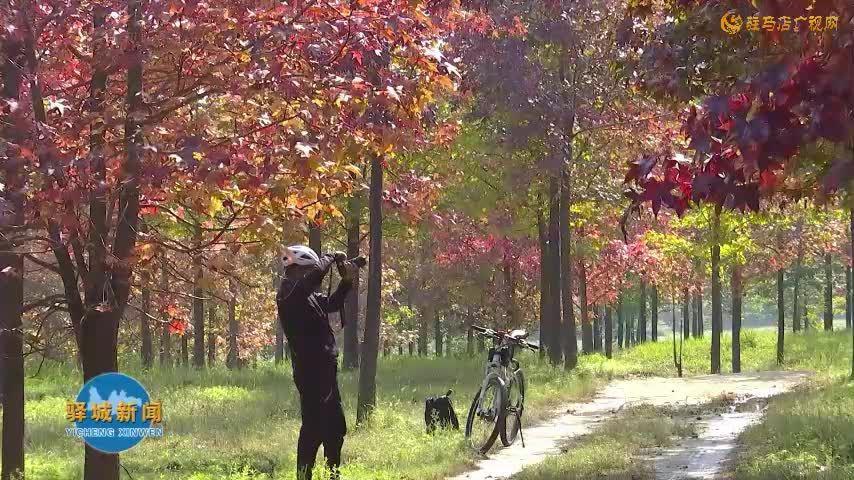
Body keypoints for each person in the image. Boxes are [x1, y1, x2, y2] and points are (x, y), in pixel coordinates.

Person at [277, 245, 353, 480]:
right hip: (311, 374)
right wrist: (330, 257)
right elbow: (315, 276)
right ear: (298, 269)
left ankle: (333, 475)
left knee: (335, 428)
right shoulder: (288, 294)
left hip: (325, 372)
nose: (313, 276)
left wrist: (347, 281)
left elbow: (331, 304)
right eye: (308, 270)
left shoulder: (307, 295)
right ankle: (304, 476)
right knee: (313, 429)